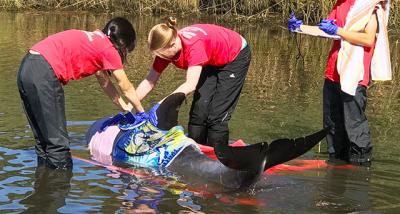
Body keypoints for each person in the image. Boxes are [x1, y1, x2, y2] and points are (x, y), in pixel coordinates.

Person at [86, 92, 328, 190]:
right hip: (175, 147)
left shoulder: (97, 138)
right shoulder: (115, 127)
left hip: (161, 156)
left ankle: (245, 168)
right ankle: (247, 167)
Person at [288, 0, 392, 166]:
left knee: (354, 126)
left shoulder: (371, 1)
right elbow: (331, 31)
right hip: (332, 72)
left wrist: (339, 31)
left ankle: (360, 170)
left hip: (354, 74)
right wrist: (300, 27)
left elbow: (367, 39)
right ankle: (337, 168)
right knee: (332, 127)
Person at [17, 17, 146, 169]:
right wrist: (142, 113)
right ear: (122, 44)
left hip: (27, 68)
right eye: (126, 51)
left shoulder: (96, 40)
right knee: (58, 147)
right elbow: (126, 86)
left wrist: (124, 108)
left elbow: (105, 81)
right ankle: (59, 187)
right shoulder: (109, 49)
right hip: (44, 72)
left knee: (43, 143)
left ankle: (44, 187)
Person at [135, 18, 251, 147]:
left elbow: (190, 85)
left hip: (234, 55)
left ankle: (219, 156)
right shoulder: (166, 48)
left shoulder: (194, 47)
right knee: (198, 113)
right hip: (210, 59)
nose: (161, 58)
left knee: (216, 117)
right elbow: (149, 81)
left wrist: (161, 105)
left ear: (172, 44)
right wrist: (128, 106)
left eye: (163, 55)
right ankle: (196, 149)